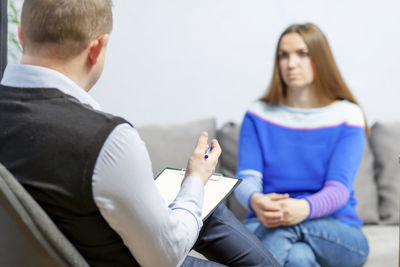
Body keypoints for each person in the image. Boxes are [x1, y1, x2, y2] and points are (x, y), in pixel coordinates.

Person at [0, 1, 280, 266]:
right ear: (96, 48)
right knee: (201, 202)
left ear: (23, 34)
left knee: (204, 209)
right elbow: (165, 257)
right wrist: (195, 179)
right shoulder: (106, 139)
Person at [234, 23, 370, 267]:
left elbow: (339, 190)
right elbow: (246, 177)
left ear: (320, 58)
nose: (290, 64)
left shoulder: (348, 115)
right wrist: (256, 200)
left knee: (285, 232)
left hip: (335, 228)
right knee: (299, 258)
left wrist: (303, 208)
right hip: (267, 221)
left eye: (302, 54)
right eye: (283, 55)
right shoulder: (258, 114)